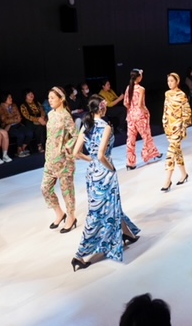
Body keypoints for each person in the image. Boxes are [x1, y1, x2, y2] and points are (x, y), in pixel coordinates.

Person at [70, 95, 140, 271]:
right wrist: (112, 168)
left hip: (92, 173)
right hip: (105, 173)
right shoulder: (105, 127)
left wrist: (91, 159)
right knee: (98, 213)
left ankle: (126, 233)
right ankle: (79, 254)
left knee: (111, 207)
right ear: (101, 108)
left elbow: (75, 153)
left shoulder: (86, 125)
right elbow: (102, 155)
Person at [42, 86, 78, 234]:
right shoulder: (50, 114)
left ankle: (71, 217)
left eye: (52, 98)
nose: (50, 101)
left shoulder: (66, 116)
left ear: (61, 99)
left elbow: (75, 135)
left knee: (67, 191)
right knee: (45, 188)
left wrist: (66, 148)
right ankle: (59, 213)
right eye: (49, 98)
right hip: (50, 158)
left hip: (63, 160)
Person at [124, 69, 162, 170]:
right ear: (139, 77)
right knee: (146, 135)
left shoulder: (128, 88)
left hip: (131, 116)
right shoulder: (141, 89)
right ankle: (148, 154)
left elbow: (125, 103)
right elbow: (141, 105)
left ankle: (130, 163)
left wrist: (131, 109)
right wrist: (146, 111)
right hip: (140, 116)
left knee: (131, 139)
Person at [161, 73, 192, 192]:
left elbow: (187, 111)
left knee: (171, 152)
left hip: (178, 127)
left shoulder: (181, 95)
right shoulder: (167, 94)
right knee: (177, 151)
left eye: (172, 81)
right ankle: (184, 174)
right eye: (168, 81)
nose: (169, 83)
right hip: (169, 126)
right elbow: (165, 109)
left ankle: (167, 180)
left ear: (177, 81)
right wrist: (164, 123)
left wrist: (184, 126)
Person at [0, 92, 33, 158]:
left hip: (18, 124)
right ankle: (19, 150)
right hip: (8, 127)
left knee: (30, 133)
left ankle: (23, 148)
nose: (11, 99)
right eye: (9, 98)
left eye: (11, 97)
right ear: (5, 99)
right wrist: (14, 120)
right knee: (20, 135)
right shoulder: (0, 108)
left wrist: (13, 120)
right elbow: (5, 120)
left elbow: (19, 117)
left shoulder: (14, 105)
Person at [19, 88, 48, 153]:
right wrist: (38, 119)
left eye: (31, 93)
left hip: (41, 119)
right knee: (39, 128)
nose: (31, 95)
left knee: (46, 125)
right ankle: (39, 145)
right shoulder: (23, 106)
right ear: (25, 96)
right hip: (30, 122)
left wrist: (42, 117)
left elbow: (42, 110)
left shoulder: (37, 103)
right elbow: (27, 116)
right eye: (29, 94)